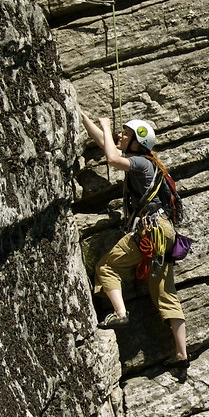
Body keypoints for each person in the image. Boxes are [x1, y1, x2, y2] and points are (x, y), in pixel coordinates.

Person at [79, 109, 189, 379]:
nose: (120, 135)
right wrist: (86, 119)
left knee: (106, 268)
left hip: (150, 229)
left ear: (138, 143)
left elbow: (112, 158)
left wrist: (105, 125)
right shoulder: (147, 162)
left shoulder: (141, 162)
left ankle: (119, 313)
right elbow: (107, 145)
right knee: (165, 294)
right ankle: (181, 354)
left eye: (126, 134)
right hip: (164, 231)